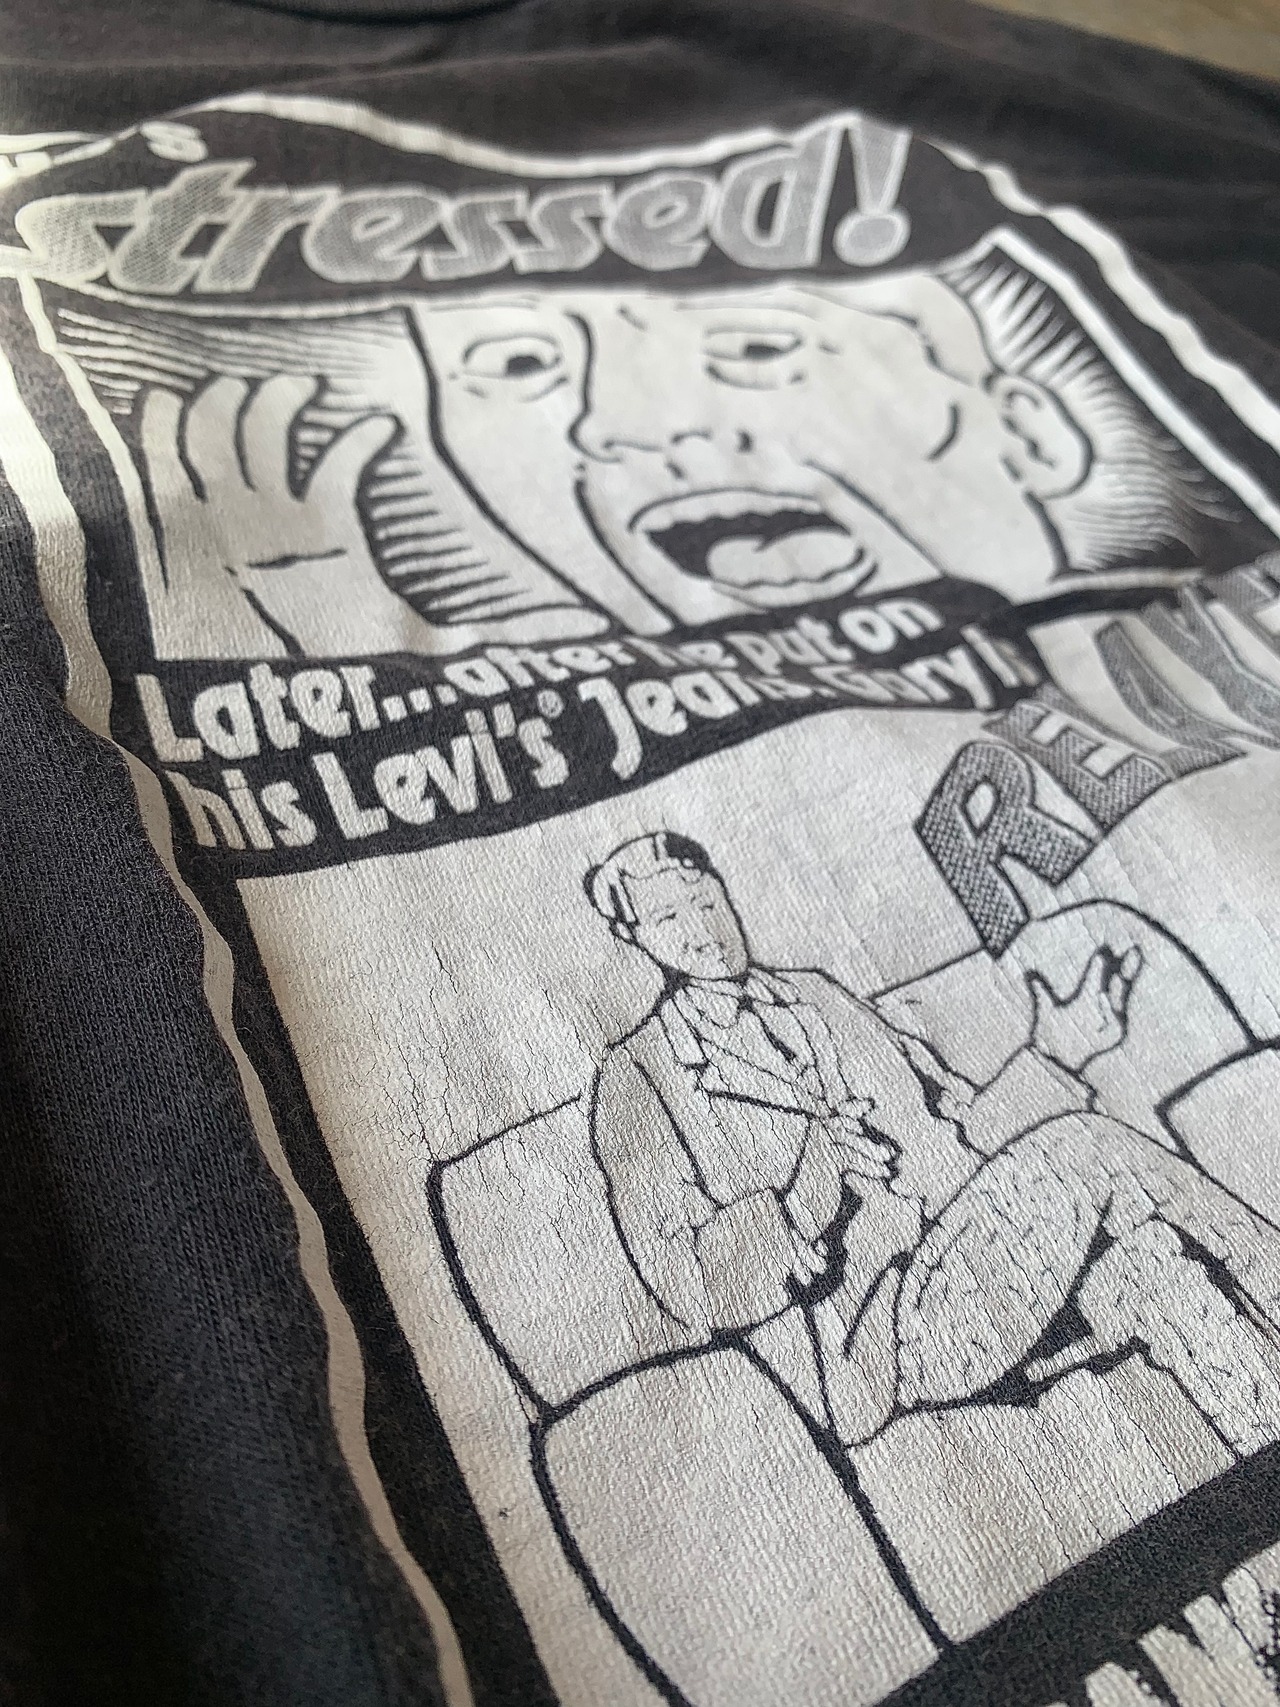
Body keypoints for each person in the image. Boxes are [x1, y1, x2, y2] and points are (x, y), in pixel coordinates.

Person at [585, 830, 1280, 1452]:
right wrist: (806, 1196)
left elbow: (956, 1131)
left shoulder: (818, 995)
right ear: (633, 936)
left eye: (706, 902)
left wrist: (1054, 1054)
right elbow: (692, 1287)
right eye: (669, 918)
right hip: (882, 1331)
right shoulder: (638, 1073)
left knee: (1154, 1266)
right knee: (1088, 1146)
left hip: (981, 1254)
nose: (704, 930)